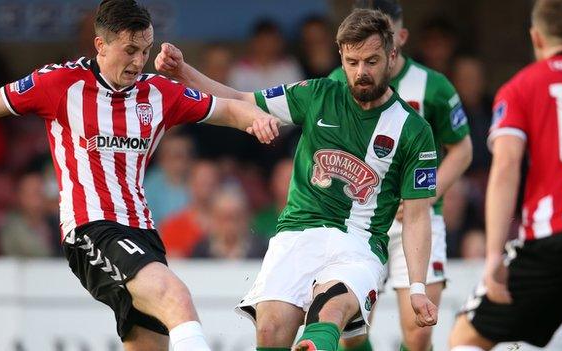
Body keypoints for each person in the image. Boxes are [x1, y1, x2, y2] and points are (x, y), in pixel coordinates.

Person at [0, 1, 280, 350]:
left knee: (150, 343)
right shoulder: (60, 83)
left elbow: (226, 107)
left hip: (143, 232)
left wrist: (255, 119)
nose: (139, 61)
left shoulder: (158, 92)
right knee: (176, 298)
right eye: (130, 50)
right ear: (101, 46)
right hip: (91, 226)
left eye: (146, 50)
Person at [156, 8, 438, 351]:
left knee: (329, 309)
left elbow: (418, 215)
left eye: (371, 61)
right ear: (341, 57)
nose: (361, 72)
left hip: (359, 243)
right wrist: (183, 71)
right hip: (297, 235)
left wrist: (419, 287)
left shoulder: (414, 130)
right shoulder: (317, 95)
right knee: (271, 330)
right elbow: (242, 100)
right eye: (352, 62)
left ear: (392, 56)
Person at [449, 0, 562, 350]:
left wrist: (493, 256)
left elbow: (505, 167)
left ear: (536, 37)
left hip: (553, 237)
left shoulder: (521, 87)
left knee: (465, 337)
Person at [328, 1, 472, 350]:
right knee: (352, 331)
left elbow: (463, 149)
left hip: (417, 218)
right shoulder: (338, 82)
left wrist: (426, 195)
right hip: (361, 223)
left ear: (400, 38)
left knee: (419, 332)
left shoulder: (433, 86)